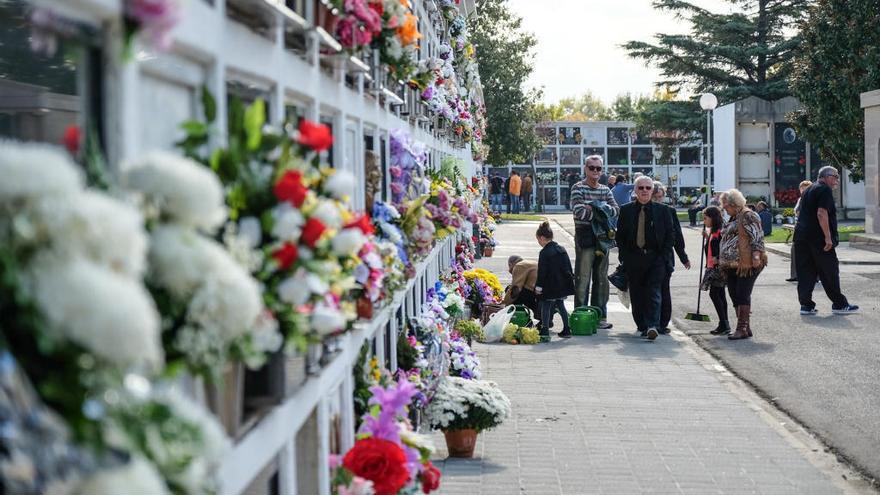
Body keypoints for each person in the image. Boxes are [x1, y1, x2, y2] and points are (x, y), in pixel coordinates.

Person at [793, 166, 859, 315]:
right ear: (826, 176)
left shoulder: (809, 189)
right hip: (818, 238)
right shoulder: (824, 190)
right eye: (835, 176)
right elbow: (821, 213)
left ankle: (806, 305)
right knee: (829, 270)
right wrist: (828, 238)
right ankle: (839, 304)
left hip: (802, 236)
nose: (837, 180)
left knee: (805, 271)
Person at [616, 176, 674, 340]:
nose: (644, 191)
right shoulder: (626, 210)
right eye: (641, 188)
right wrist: (624, 256)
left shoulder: (662, 210)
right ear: (635, 190)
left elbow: (671, 235)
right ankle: (642, 325)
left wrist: (663, 257)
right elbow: (620, 236)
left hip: (656, 258)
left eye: (648, 188)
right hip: (634, 257)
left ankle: (652, 325)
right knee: (637, 292)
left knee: (653, 291)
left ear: (652, 191)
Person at [570, 155, 619, 330]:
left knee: (601, 278)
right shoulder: (578, 188)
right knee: (583, 278)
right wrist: (601, 210)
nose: (595, 171)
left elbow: (615, 210)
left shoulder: (606, 189)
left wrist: (594, 207)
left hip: (603, 239)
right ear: (585, 169)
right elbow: (578, 212)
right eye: (592, 168)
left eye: (598, 168)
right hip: (585, 237)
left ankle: (599, 316)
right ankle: (581, 315)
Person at [718, 189, 767, 340]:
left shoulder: (748, 215)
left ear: (734, 204)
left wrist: (757, 255)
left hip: (747, 263)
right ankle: (746, 327)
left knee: (742, 293)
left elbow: (757, 236)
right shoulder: (734, 217)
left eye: (726, 206)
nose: (724, 209)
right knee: (734, 293)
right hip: (732, 265)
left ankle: (741, 328)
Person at [653, 181, 691, 334]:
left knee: (663, 290)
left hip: (665, 258)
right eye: (654, 197)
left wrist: (683, 257)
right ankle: (650, 322)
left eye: (659, 197)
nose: (657, 200)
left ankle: (662, 323)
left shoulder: (669, 211)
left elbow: (677, 236)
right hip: (646, 258)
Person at [535, 221, 575, 341]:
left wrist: (538, 287)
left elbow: (542, 272)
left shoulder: (544, 253)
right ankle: (567, 329)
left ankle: (545, 330)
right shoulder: (561, 249)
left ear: (542, 238)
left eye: (538, 240)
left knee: (546, 306)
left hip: (549, 285)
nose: (538, 243)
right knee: (561, 305)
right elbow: (568, 266)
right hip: (562, 284)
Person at [702, 206, 730, 335]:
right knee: (719, 294)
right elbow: (710, 248)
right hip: (713, 266)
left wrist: (717, 258)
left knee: (715, 293)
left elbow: (720, 248)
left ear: (712, 218)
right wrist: (707, 238)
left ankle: (724, 323)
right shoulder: (714, 232)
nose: (704, 221)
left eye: (705, 218)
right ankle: (724, 323)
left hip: (717, 267)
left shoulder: (719, 232)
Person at [786, 180, 813, 282]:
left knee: (810, 252)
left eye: (805, 188)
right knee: (795, 251)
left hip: (808, 229)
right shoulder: (800, 199)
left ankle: (814, 276)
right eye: (801, 188)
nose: (803, 190)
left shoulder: (811, 199)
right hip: (799, 228)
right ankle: (795, 275)